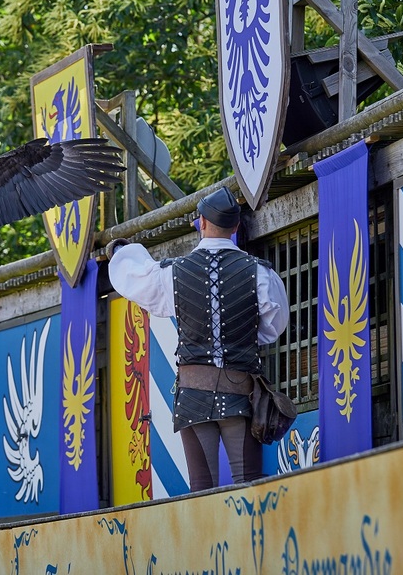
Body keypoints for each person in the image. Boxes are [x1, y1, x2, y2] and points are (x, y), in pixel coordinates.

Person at [107, 185, 288, 490]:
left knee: (202, 490)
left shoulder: (172, 272)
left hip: (193, 397)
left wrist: (121, 252)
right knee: (251, 488)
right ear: (236, 227)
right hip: (241, 394)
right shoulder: (260, 273)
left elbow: (135, 277)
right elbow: (273, 327)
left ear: (201, 223)